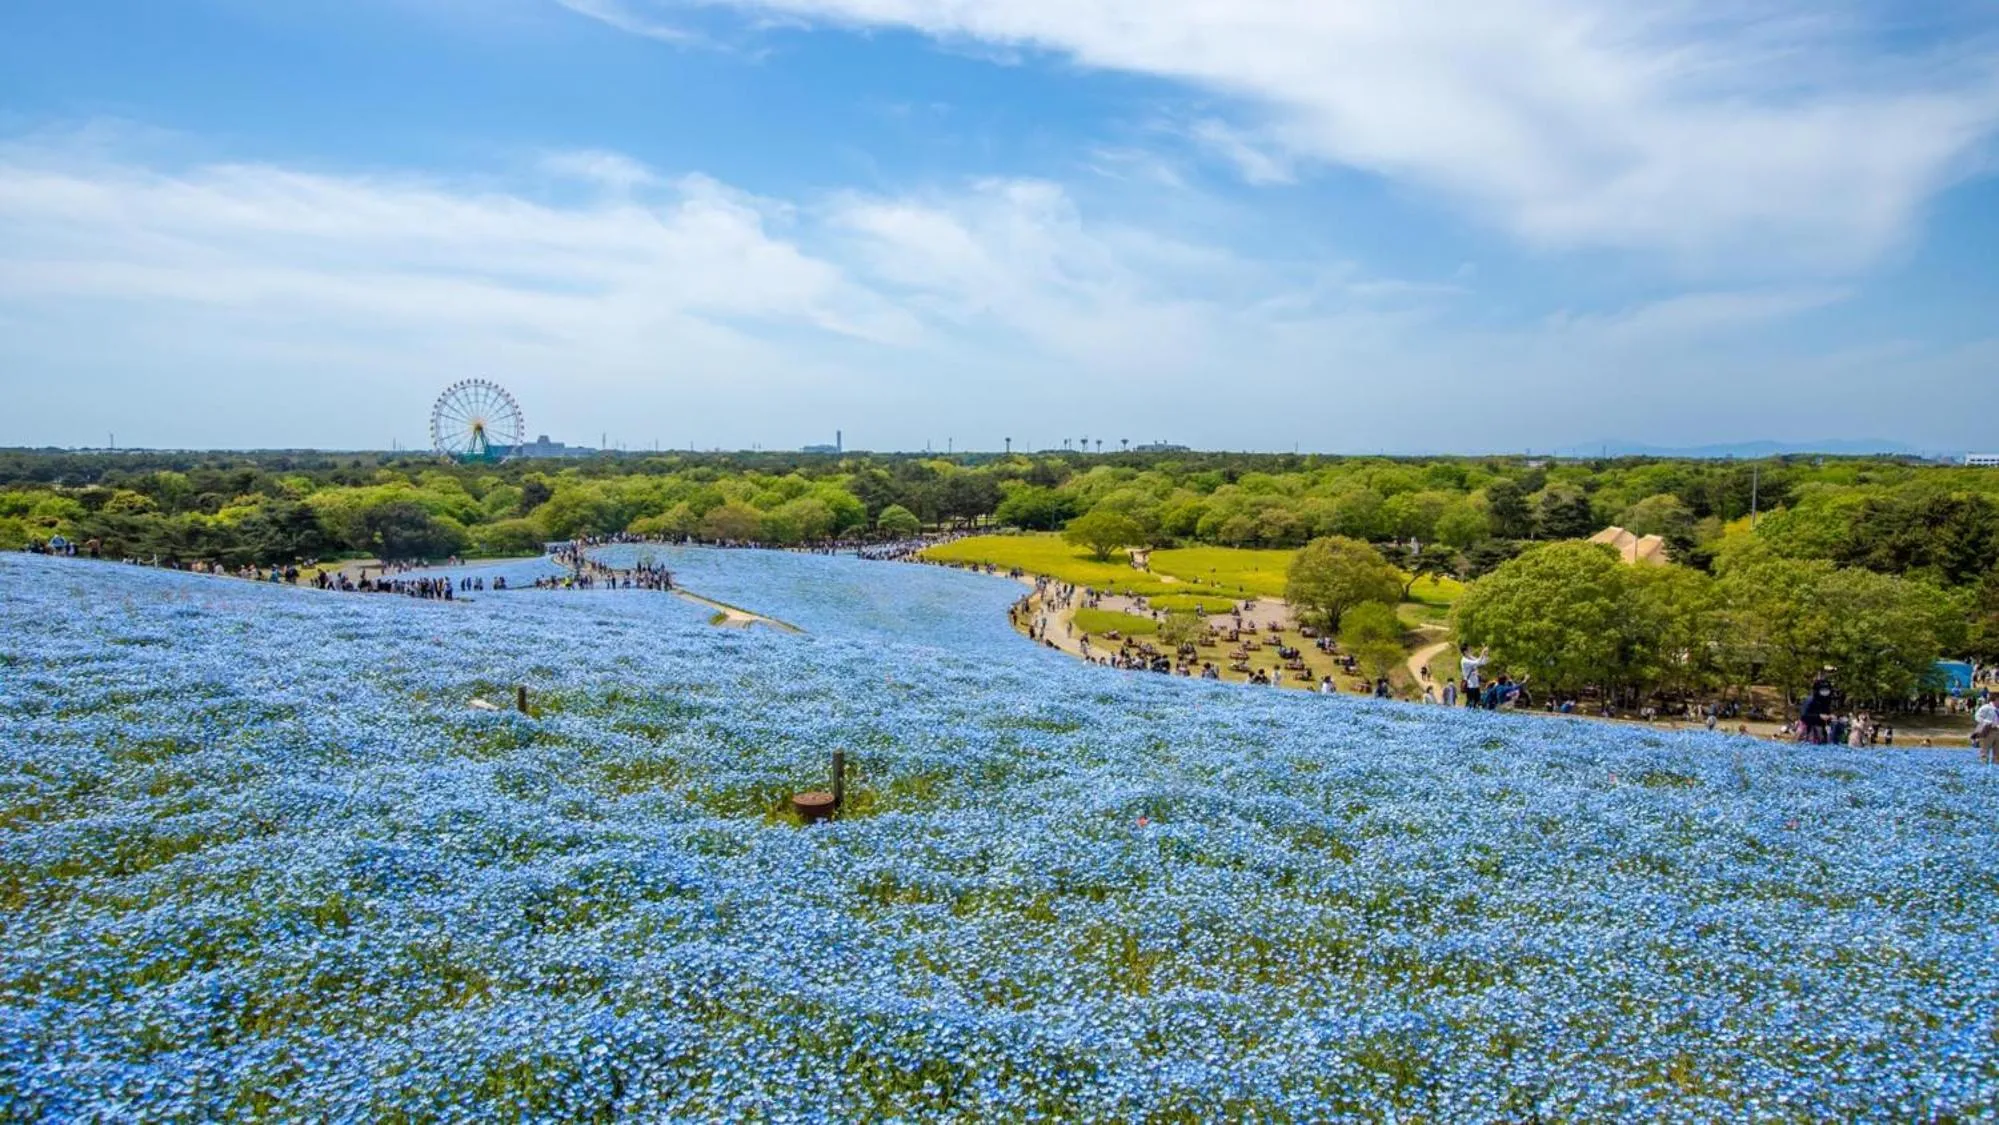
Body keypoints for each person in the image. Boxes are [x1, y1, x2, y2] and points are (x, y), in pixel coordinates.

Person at [1974, 696, 1999, 765]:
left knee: (1997, 753)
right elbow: (1977, 717)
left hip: (1998, 731)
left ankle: (1995, 770)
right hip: (1987, 731)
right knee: (1985, 752)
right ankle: (1984, 771)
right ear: (1996, 699)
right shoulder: (1986, 707)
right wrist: (1987, 722)